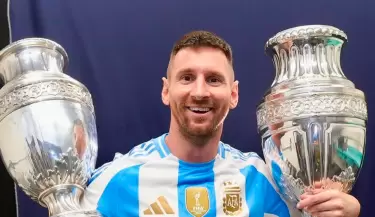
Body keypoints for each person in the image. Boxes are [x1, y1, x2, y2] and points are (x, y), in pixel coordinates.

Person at [80, 31, 361, 217]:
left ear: (234, 94)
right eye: (187, 77)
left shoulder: (263, 180)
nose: (200, 92)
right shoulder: (117, 179)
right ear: (166, 91)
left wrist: (344, 209)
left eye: (214, 79)